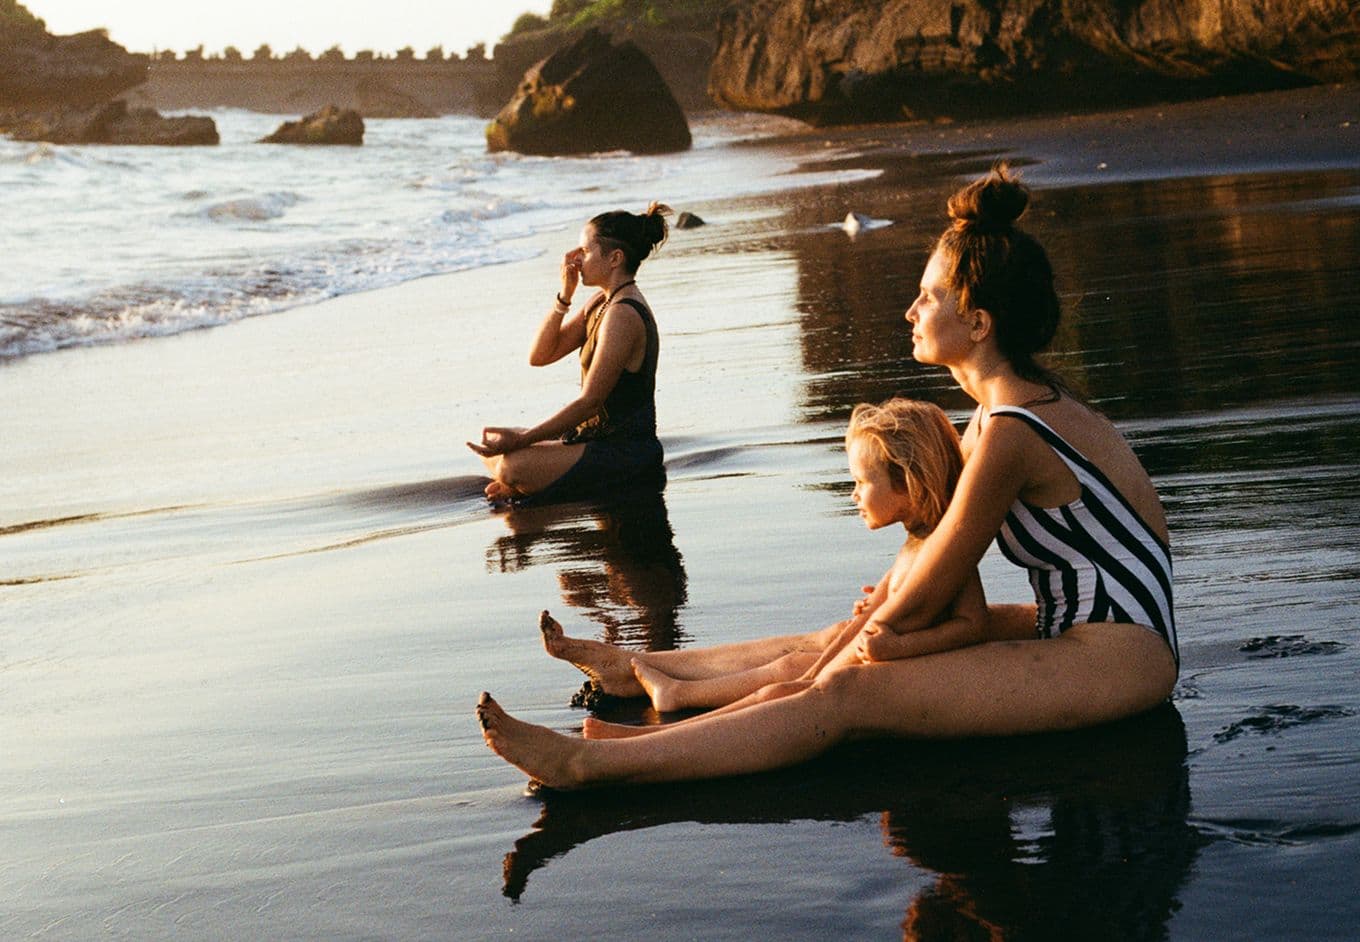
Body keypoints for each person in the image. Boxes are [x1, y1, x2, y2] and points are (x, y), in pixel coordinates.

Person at [476, 165, 1179, 788]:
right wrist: (868, 623)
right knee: (837, 638)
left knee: (849, 691)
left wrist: (869, 636)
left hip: (1115, 656)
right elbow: (933, 554)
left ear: (979, 321)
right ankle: (639, 669)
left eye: (927, 298)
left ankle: (593, 764)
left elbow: (937, 575)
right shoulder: (1011, 414)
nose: (909, 311)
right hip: (1084, 627)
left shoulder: (1011, 432)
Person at [615, 397, 986, 719]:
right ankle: (680, 694)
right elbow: (888, 606)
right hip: (875, 658)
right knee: (790, 668)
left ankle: (673, 725)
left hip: (897, 675)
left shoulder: (946, 549)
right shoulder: (916, 543)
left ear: (908, 482)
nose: (854, 495)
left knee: (777, 694)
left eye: (862, 483)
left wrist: (901, 646)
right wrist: (876, 604)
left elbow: (973, 623)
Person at [469, 203, 671, 502]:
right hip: (590, 439)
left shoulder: (623, 315)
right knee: (495, 446)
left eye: (584, 251)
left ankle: (519, 481)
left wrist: (525, 440)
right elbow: (540, 356)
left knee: (512, 464)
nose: (575, 259)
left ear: (615, 258)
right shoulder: (598, 303)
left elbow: (590, 402)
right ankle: (523, 481)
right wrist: (565, 296)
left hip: (627, 453)